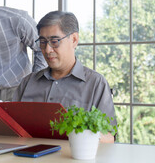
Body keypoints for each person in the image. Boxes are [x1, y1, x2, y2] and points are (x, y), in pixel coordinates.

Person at [12, 11, 117, 142]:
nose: (47, 49)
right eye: (43, 42)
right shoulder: (27, 82)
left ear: (74, 40)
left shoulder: (95, 83)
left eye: (54, 41)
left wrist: (79, 136)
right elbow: (12, 129)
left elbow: (109, 136)